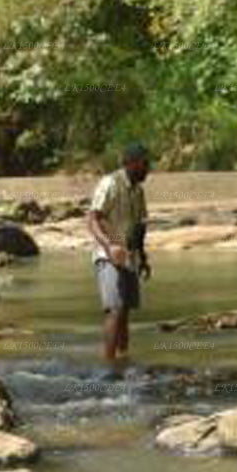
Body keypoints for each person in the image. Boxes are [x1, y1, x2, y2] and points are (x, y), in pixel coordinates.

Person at [87, 142, 152, 375]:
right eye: (145, 163)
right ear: (132, 163)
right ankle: (108, 365)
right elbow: (93, 219)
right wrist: (110, 246)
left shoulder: (138, 190)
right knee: (114, 308)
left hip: (130, 256)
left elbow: (139, 226)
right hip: (108, 255)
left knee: (125, 311)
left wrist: (143, 258)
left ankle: (123, 361)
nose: (148, 168)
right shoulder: (110, 183)